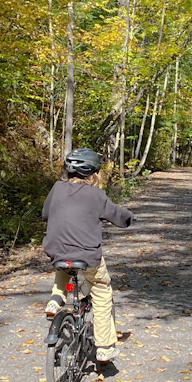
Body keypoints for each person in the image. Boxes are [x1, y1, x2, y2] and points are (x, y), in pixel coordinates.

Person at [42, 148, 134, 364]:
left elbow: (45, 213)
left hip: (56, 249)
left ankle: (56, 300)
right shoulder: (96, 195)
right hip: (87, 255)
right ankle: (104, 347)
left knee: (64, 264)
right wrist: (130, 218)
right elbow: (117, 215)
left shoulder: (57, 188)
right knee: (101, 291)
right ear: (92, 174)